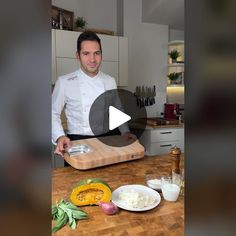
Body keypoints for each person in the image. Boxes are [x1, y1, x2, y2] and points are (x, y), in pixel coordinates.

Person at [52, 31, 135, 156]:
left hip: (107, 139)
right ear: (77, 56)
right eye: (86, 53)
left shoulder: (109, 81)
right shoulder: (64, 82)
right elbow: (52, 113)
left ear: (101, 55)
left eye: (97, 53)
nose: (92, 59)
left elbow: (117, 110)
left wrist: (125, 132)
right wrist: (59, 137)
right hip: (77, 141)